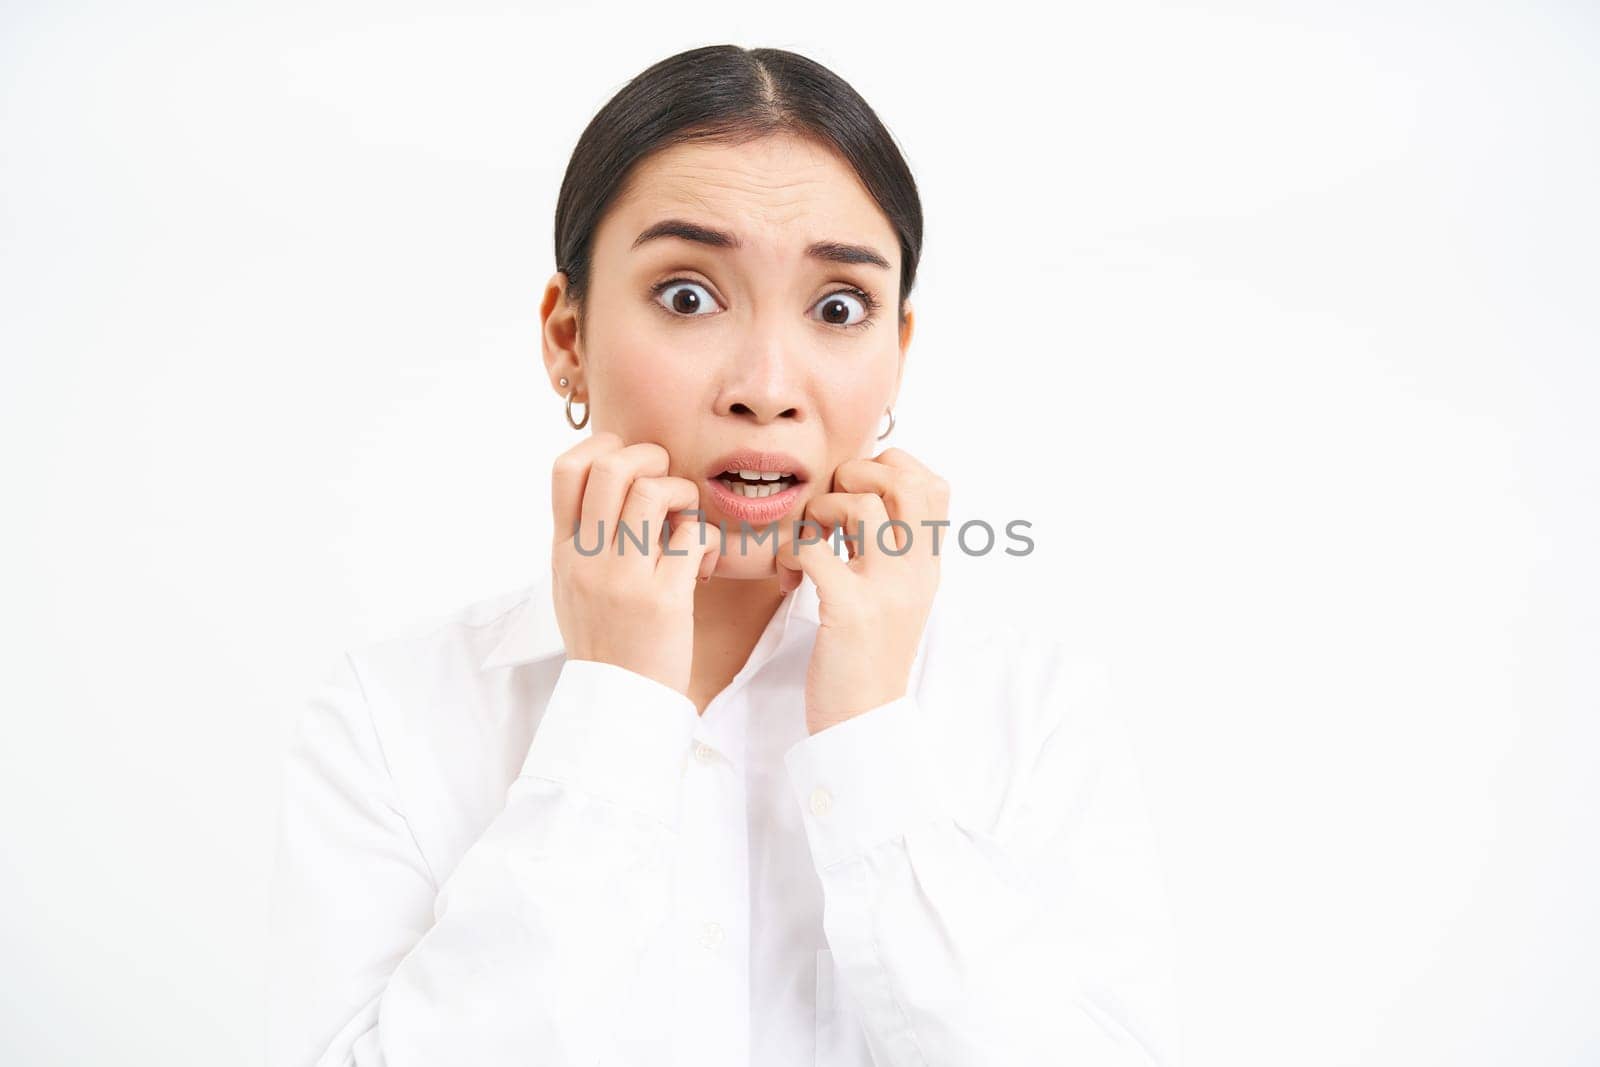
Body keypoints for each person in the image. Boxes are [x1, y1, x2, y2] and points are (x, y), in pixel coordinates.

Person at [268, 43, 1179, 1067]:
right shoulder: (393, 717)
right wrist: (613, 702)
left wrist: (871, 733)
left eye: (838, 307)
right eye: (688, 295)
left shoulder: (1029, 711)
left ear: (896, 352)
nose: (765, 384)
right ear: (566, 335)